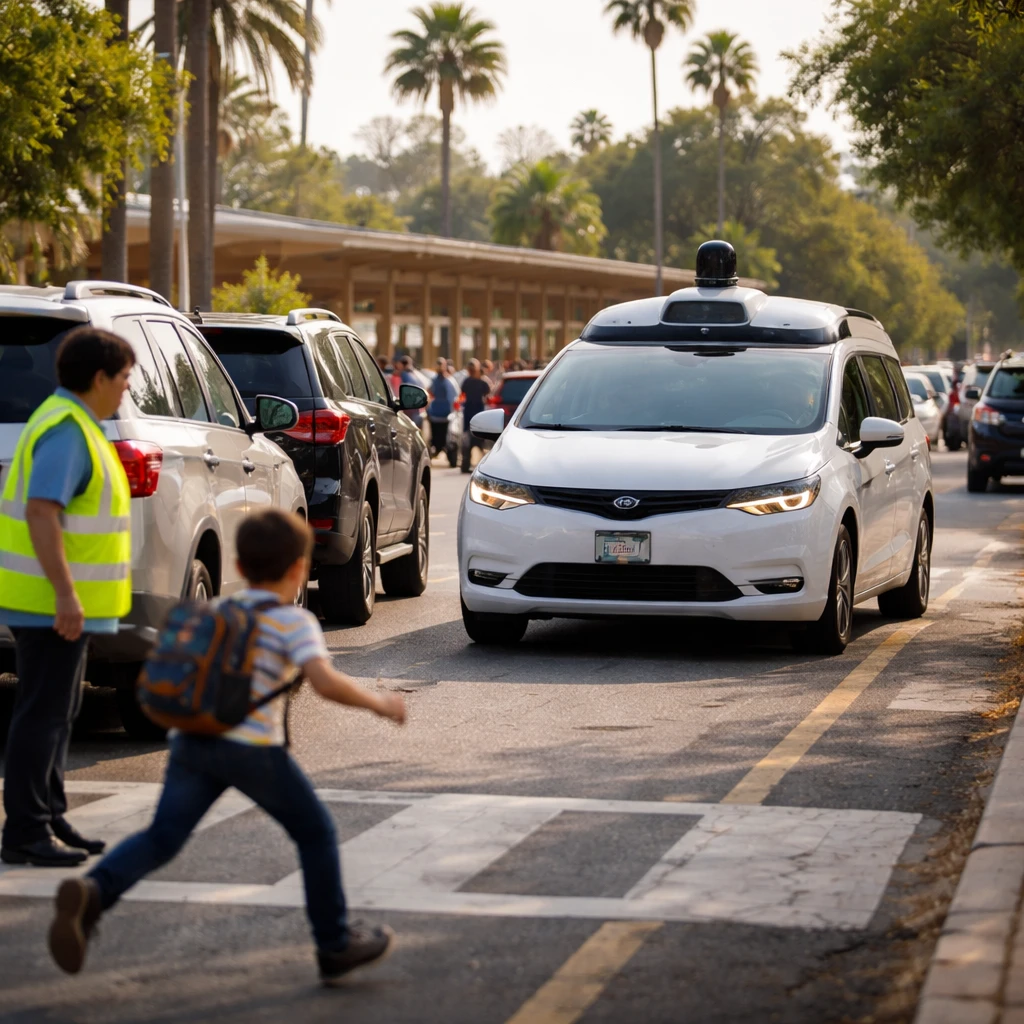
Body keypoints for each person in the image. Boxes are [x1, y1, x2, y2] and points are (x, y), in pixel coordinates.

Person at [47, 509, 406, 984]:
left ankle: (95, 892)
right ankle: (335, 942)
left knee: (163, 837)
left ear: (239, 564)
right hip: (251, 750)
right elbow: (325, 684)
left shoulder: (217, 609)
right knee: (315, 834)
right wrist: (380, 703)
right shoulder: (292, 621)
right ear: (300, 568)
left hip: (192, 742)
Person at [0, 328, 135, 868]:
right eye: (124, 378)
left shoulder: (74, 423)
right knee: (43, 715)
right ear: (99, 378)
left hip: (54, 601)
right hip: (48, 602)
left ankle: (49, 816)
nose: (127, 388)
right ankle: (26, 832)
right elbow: (42, 511)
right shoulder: (67, 432)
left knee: (60, 711)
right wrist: (65, 596)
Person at [459, 358, 492, 474]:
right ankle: (467, 464)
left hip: (477, 415)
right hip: (472, 414)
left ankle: (480, 466)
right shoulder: (472, 382)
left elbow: (488, 396)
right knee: (469, 442)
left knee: (478, 442)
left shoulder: (481, 382)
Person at [427, 357, 456, 459]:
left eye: (441, 365)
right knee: (435, 436)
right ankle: (436, 448)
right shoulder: (434, 380)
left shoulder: (449, 381)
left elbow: (454, 396)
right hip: (435, 414)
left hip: (446, 415)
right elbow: (429, 393)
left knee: (445, 436)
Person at [397, 356, 423, 428]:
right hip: (416, 406)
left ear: (402, 365)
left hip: (409, 408)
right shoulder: (415, 374)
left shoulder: (405, 374)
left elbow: (405, 390)